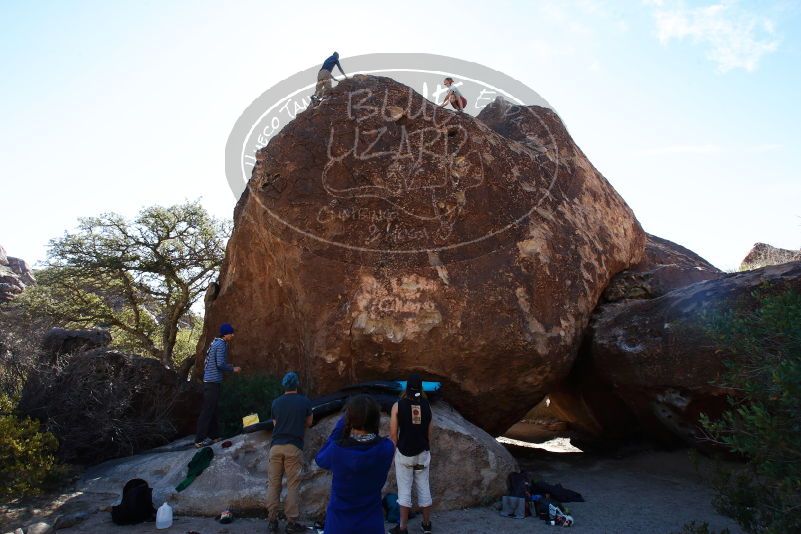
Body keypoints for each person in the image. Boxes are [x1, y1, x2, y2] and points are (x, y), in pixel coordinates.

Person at [315, 395, 395, 534]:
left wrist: (341, 426)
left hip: (338, 525)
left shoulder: (336, 450)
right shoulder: (386, 448)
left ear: (349, 420)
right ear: (375, 420)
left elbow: (320, 459)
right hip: (371, 525)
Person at [267, 372, 313, 533]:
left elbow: (275, 424)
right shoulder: (304, 401)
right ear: (297, 384)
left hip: (275, 447)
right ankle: (291, 523)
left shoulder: (276, 403)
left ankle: (272, 521)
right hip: (293, 446)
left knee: (274, 485)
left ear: (284, 385)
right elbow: (309, 422)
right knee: (292, 485)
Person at [389, 374, 434, 534]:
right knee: (424, 487)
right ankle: (426, 525)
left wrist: (395, 451)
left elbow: (393, 434)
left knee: (404, 491)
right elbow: (429, 434)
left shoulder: (398, 406)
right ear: (421, 388)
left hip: (404, 456)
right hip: (422, 455)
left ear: (406, 387)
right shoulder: (427, 405)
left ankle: (402, 528)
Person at [194, 323, 241, 448]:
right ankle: (199, 440)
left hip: (211, 381)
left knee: (213, 408)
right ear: (226, 334)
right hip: (212, 382)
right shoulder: (220, 344)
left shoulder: (217, 342)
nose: (233, 335)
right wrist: (233, 368)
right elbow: (220, 364)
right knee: (207, 410)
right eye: (231, 333)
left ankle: (214, 436)